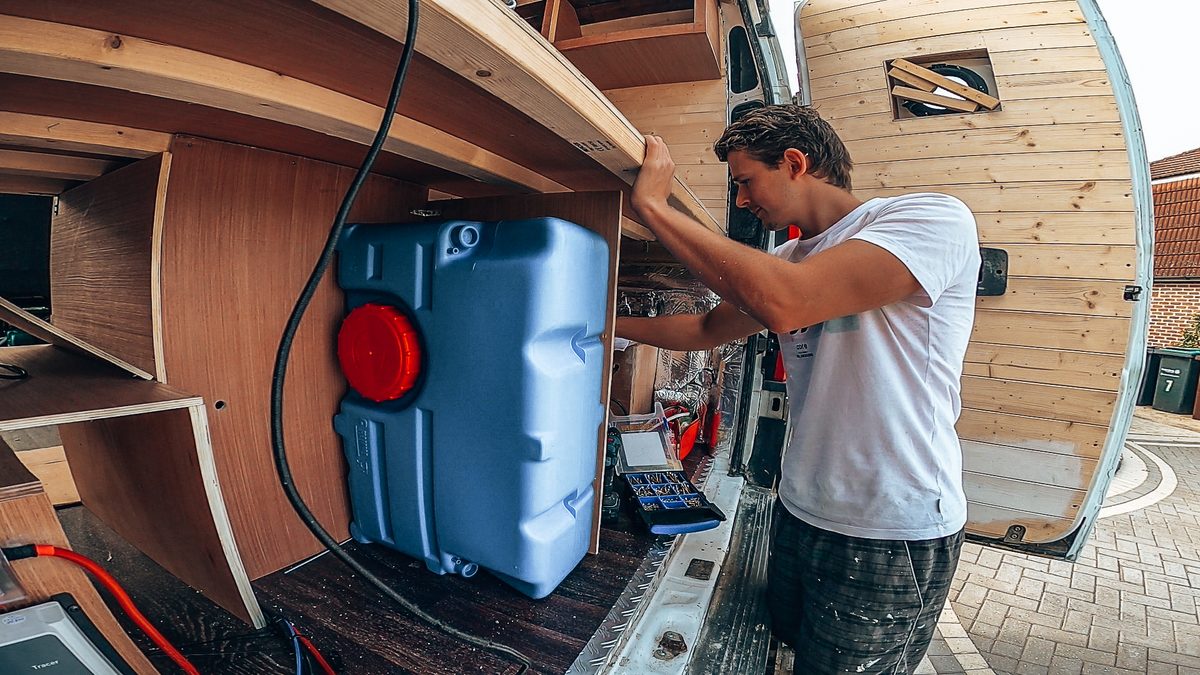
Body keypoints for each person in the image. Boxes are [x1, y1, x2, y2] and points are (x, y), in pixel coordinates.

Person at [617, 104, 980, 673]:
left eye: (744, 182)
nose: (741, 201)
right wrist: (602, 323)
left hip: (888, 525)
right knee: (784, 647)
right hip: (801, 507)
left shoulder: (928, 219)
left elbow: (789, 302)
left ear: (794, 162)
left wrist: (653, 207)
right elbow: (706, 329)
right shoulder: (788, 258)